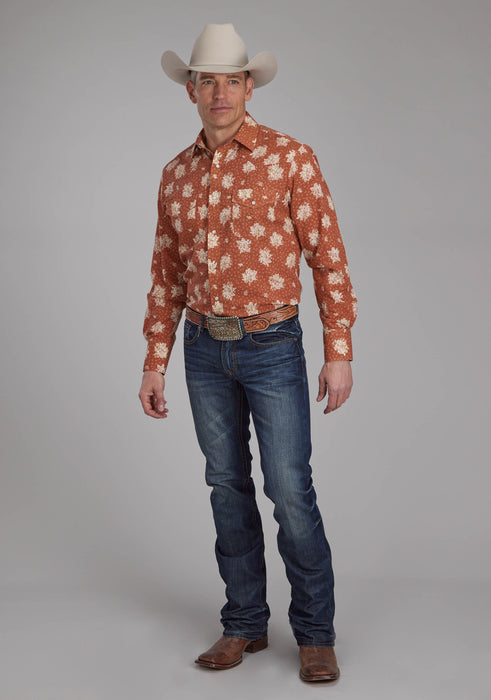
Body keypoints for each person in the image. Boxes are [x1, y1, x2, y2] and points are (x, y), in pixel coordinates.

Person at [138, 23, 357, 683]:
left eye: (231, 80)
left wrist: (338, 350)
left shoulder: (290, 158)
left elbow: (328, 258)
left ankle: (315, 633)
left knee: (288, 488)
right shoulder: (175, 175)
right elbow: (166, 274)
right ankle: (244, 622)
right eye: (207, 81)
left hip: (273, 345)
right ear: (191, 91)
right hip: (202, 349)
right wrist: (154, 360)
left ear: (249, 86)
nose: (219, 93)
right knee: (226, 486)